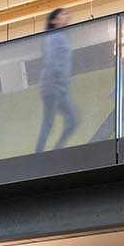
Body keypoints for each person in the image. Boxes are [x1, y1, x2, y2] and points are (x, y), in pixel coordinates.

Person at [34, 8, 78, 152]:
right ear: (54, 20)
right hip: (52, 87)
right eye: (63, 14)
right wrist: (59, 78)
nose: (67, 16)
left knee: (72, 120)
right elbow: (51, 60)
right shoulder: (53, 37)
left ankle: (56, 148)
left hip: (59, 87)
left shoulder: (61, 37)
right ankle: (39, 153)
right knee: (49, 122)